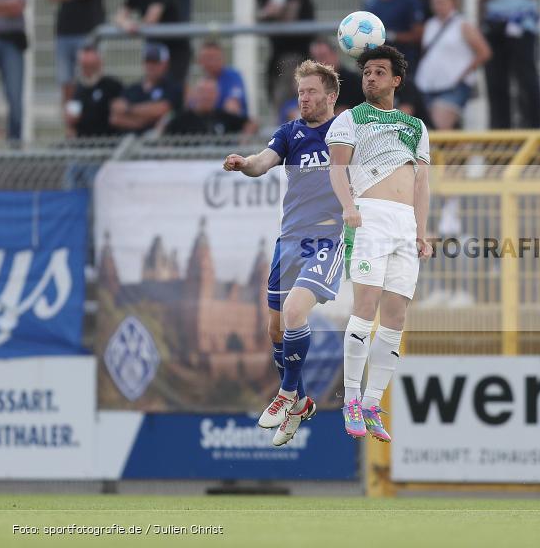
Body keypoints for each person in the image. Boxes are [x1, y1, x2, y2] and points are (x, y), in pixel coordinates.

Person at [223, 60, 344, 447]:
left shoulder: (345, 134)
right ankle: (303, 400)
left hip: (327, 240)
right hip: (288, 242)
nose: (303, 98)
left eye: (311, 92)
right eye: (300, 91)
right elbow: (263, 162)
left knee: (294, 313)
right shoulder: (290, 133)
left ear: (331, 96)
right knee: (276, 329)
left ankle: (287, 394)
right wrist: (245, 164)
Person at [326, 45, 432, 442]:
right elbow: (338, 171)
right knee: (365, 309)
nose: (371, 78)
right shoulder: (350, 119)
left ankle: (372, 401)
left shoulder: (416, 128)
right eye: (367, 72)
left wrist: (422, 231)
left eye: (379, 72)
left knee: (396, 318)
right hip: (368, 216)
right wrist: (349, 207)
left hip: (404, 224)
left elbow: (422, 185)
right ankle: (350, 397)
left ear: (396, 80)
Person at [479, 0, 540, 129]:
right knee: (495, 82)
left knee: (526, 79)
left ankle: (532, 128)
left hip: (521, 25)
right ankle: (499, 132)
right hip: (495, 25)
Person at [416, 0, 492, 130]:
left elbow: (484, 52)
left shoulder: (463, 25)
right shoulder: (430, 24)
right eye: (434, 2)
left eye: (442, 2)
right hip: (427, 85)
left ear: (453, 1)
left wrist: (464, 73)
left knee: (440, 128)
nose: (437, 6)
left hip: (453, 86)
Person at [116, 0, 191, 82]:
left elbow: (151, 19)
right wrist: (126, 24)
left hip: (175, 49)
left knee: (173, 88)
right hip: (155, 47)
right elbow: (120, 16)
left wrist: (133, 25)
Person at [256, 0, 315, 108]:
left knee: (296, 90)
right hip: (278, 49)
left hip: (299, 48)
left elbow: (290, 15)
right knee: (273, 88)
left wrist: (273, 13)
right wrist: (269, 13)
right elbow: (260, 15)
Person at [48, 0, 107, 104]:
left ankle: (92, 120)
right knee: (66, 83)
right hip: (64, 31)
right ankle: (70, 123)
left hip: (89, 31)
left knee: (91, 78)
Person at [364, 0, 425, 73]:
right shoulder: (370, 3)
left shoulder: (409, 0)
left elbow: (419, 35)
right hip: (378, 69)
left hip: (404, 68)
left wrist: (392, 36)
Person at [279, 38, 364, 123]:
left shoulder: (354, 81)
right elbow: (293, 112)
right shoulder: (306, 83)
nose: (319, 63)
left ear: (334, 55)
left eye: (323, 56)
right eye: (314, 59)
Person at [110, 43, 183, 135]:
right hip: (127, 141)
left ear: (165, 64)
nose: (151, 66)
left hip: (156, 144)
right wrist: (147, 121)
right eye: (148, 61)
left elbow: (162, 110)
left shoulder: (172, 87)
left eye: (155, 62)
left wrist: (128, 110)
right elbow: (115, 118)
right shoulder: (132, 88)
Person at [0, 0, 26, 141]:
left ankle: (15, 146)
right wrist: (5, 4)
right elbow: (11, 5)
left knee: (15, 98)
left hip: (11, 43)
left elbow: (17, 6)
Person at [65, 44, 123, 138]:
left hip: (107, 139)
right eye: (85, 66)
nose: (88, 70)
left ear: (100, 63)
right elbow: (71, 119)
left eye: (91, 65)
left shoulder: (112, 85)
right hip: (83, 141)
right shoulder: (78, 88)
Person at [165, 77, 256, 136]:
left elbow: (252, 123)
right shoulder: (181, 120)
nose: (207, 96)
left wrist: (244, 140)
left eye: (210, 93)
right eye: (202, 92)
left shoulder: (225, 117)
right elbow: (164, 137)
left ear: (217, 95)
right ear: (195, 94)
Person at [196, 40, 248, 116]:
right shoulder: (201, 81)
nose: (210, 62)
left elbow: (232, 107)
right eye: (206, 58)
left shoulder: (233, 76)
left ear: (222, 58)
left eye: (213, 58)